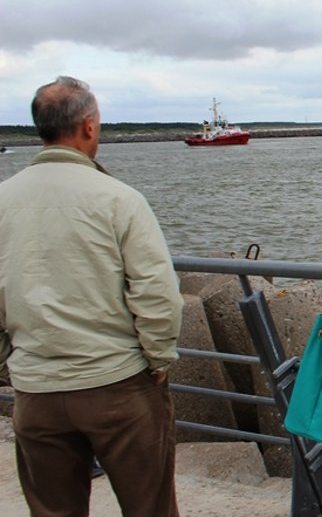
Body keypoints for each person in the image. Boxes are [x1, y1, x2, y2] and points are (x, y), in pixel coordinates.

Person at [0, 76, 184, 517]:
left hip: (35, 389)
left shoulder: (3, 199)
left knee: (52, 510)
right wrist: (157, 360)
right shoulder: (119, 199)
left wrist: (11, 359)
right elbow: (158, 294)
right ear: (88, 126)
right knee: (150, 507)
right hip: (118, 385)